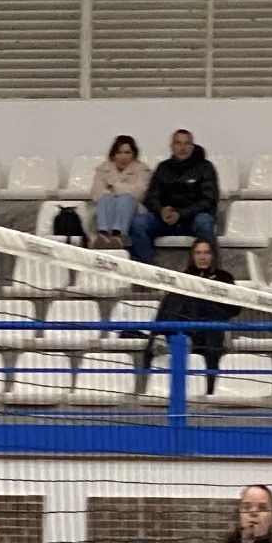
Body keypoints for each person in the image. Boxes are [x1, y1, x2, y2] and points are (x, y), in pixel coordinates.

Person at [144, 237, 238, 394]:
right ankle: (160, 338)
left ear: (213, 256)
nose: (202, 257)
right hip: (186, 324)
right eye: (198, 253)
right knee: (172, 298)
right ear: (192, 256)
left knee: (207, 324)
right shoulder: (184, 276)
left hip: (210, 325)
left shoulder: (224, 277)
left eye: (206, 253)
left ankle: (162, 335)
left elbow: (234, 309)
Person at [129, 129, 219, 264]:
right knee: (138, 223)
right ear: (171, 147)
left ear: (192, 146)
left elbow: (209, 200)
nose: (182, 148)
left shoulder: (205, 167)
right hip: (165, 219)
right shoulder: (163, 168)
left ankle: (212, 270)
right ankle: (146, 270)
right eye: (178, 143)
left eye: (186, 144)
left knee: (204, 221)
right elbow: (151, 196)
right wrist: (161, 210)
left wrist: (181, 213)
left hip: (192, 219)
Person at [91, 134, 152, 250]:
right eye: (119, 152)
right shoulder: (104, 168)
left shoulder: (142, 169)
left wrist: (115, 187)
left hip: (134, 209)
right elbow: (96, 192)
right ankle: (103, 234)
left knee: (125, 198)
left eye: (127, 152)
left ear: (134, 154)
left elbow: (141, 192)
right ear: (113, 154)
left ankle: (119, 235)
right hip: (106, 207)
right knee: (106, 198)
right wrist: (116, 193)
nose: (123, 157)